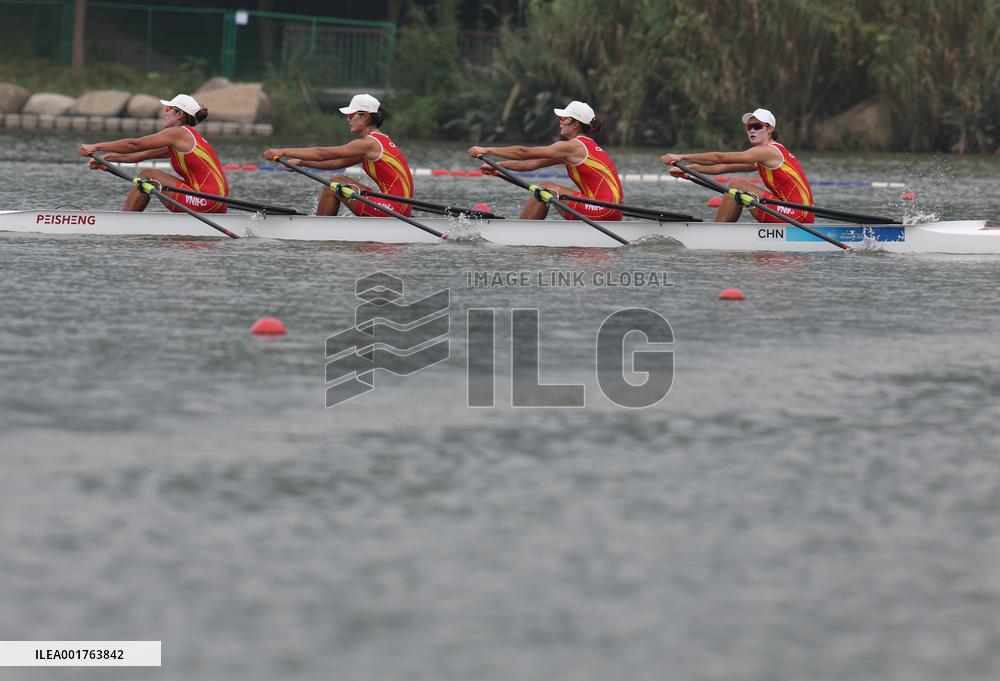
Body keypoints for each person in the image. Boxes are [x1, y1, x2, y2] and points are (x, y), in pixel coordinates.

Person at [467, 100, 624, 220]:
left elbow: (524, 153)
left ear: (576, 124)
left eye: (564, 118)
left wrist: (487, 150)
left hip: (604, 209)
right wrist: (498, 166)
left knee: (545, 189)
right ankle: (522, 228)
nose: (560, 121)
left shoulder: (574, 146)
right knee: (543, 189)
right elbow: (532, 164)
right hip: (610, 210)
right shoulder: (580, 148)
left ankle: (519, 231)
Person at [262, 94, 413, 217]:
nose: (348, 119)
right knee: (338, 181)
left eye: (351, 115)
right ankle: (323, 224)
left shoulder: (369, 143)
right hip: (398, 206)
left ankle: (318, 229)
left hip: (395, 209)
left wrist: (281, 151)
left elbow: (322, 154)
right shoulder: (378, 142)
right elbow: (336, 163)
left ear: (365, 116)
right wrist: (302, 162)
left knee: (334, 185)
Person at [79, 94, 229, 213]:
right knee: (147, 174)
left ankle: (125, 221)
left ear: (179, 114)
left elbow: (135, 145)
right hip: (217, 204)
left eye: (169, 108)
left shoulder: (178, 134)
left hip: (206, 202)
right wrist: (106, 159)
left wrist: (96, 146)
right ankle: (128, 219)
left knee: (148, 174)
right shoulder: (185, 139)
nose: (165, 112)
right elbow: (139, 156)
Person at [661, 107, 814, 223]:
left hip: (798, 213)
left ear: (770, 129)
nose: (751, 131)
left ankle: (716, 233)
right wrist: (688, 170)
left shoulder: (768, 152)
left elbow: (719, 158)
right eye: (749, 127)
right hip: (793, 211)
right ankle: (719, 231)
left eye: (757, 127)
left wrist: (681, 156)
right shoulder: (764, 157)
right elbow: (720, 168)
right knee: (736, 186)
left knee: (737, 185)